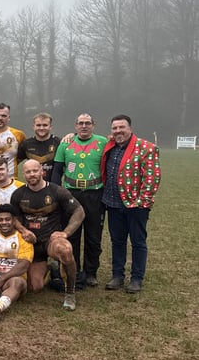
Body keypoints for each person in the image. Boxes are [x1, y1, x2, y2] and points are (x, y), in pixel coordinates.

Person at [10, 160, 85, 311]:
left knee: (65, 250)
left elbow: (79, 212)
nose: (32, 174)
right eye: (28, 172)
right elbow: (14, 218)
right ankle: (51, 269)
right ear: (23, 174)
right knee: (35, 287)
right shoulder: (18, 194)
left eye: (35, 171)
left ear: (42, 171)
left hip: (51, 241)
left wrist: (65, 233)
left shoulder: (57, 191)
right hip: (31, 244)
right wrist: (24, 231)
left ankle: (70, 294)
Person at [100, 114, 161, 293]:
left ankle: (136, 278)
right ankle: (118, 276)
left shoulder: (146, 148)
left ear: (130, 129)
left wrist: (141, 202)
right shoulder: (110, 146)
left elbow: (152, 177)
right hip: (112, 203)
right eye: (115, 128)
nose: (118, 131)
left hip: (135, 205)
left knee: (138, 242)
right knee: (117, 241)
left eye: (122, 127)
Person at [52, 113, 107, 288]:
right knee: (72, 235)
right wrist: (55, 195)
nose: (84, 126)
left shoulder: (103, 142)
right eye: (81, 123)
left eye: (88, 123)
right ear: (75, 126)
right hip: (71, 195)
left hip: (94, 194)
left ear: (93, 125)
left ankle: (91, 273)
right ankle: (72, 270)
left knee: (93, 236)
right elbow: (57, 171)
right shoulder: (66, 143)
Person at [17, 112, 60, 180]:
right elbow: (14, 162)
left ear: (50, 127)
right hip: (33, 185)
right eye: (38, 125)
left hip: (54, 187)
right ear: (33, 127)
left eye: (45, 125)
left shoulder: (59, 143)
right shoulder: (26, 144)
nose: (41, 128)